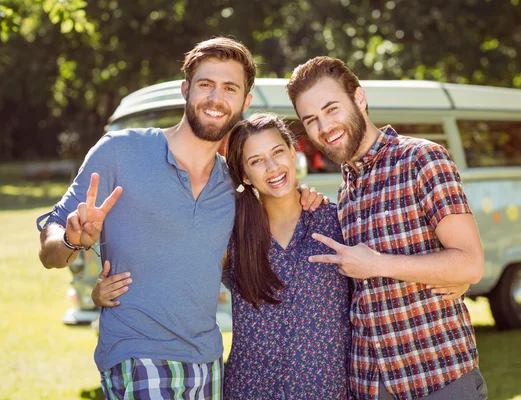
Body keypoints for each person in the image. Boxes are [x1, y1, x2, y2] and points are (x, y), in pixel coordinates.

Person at [36, 38, 322, 399]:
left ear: (245, 102)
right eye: (206, 84)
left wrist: (308, 197)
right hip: (138, 354)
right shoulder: (120, 151)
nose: (216, 98)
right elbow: (50, 246)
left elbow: (265, 235)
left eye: (230, 88)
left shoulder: (233, 184)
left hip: (208, 361)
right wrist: (69, 240)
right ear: (186, 89)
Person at [93, 113, 351, 399]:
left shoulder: (336, 220)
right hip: (250, 388)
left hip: (324, 387)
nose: (272, 167)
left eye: (278, 152)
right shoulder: (230, 230)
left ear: (293, 152)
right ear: (243, 175)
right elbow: (172, 269)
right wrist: (103, 293)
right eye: (256, 161)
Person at [286, 57, 488, 399]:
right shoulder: (345, 190)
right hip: (371, 385)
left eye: (331, 108)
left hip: (438, 379)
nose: (324, 126)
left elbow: (471, 263)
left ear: (359, 99)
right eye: (311, 120)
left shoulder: (422, 159)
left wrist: (377, 264)